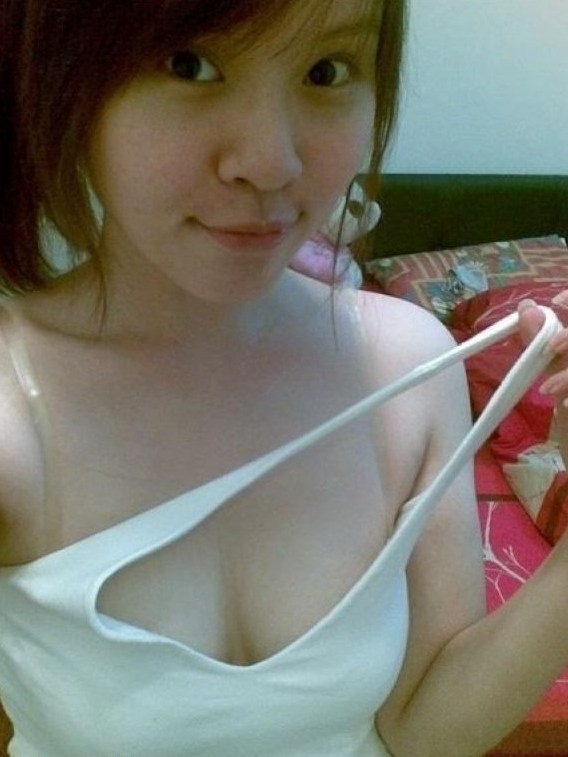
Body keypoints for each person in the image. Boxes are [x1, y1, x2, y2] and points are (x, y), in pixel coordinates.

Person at [1, 0, 568, 755]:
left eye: (326, 71)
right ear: (64, 84)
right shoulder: (15, 406)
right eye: (188, 65)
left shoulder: (407, 365)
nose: (272, 164)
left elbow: (425, 729)